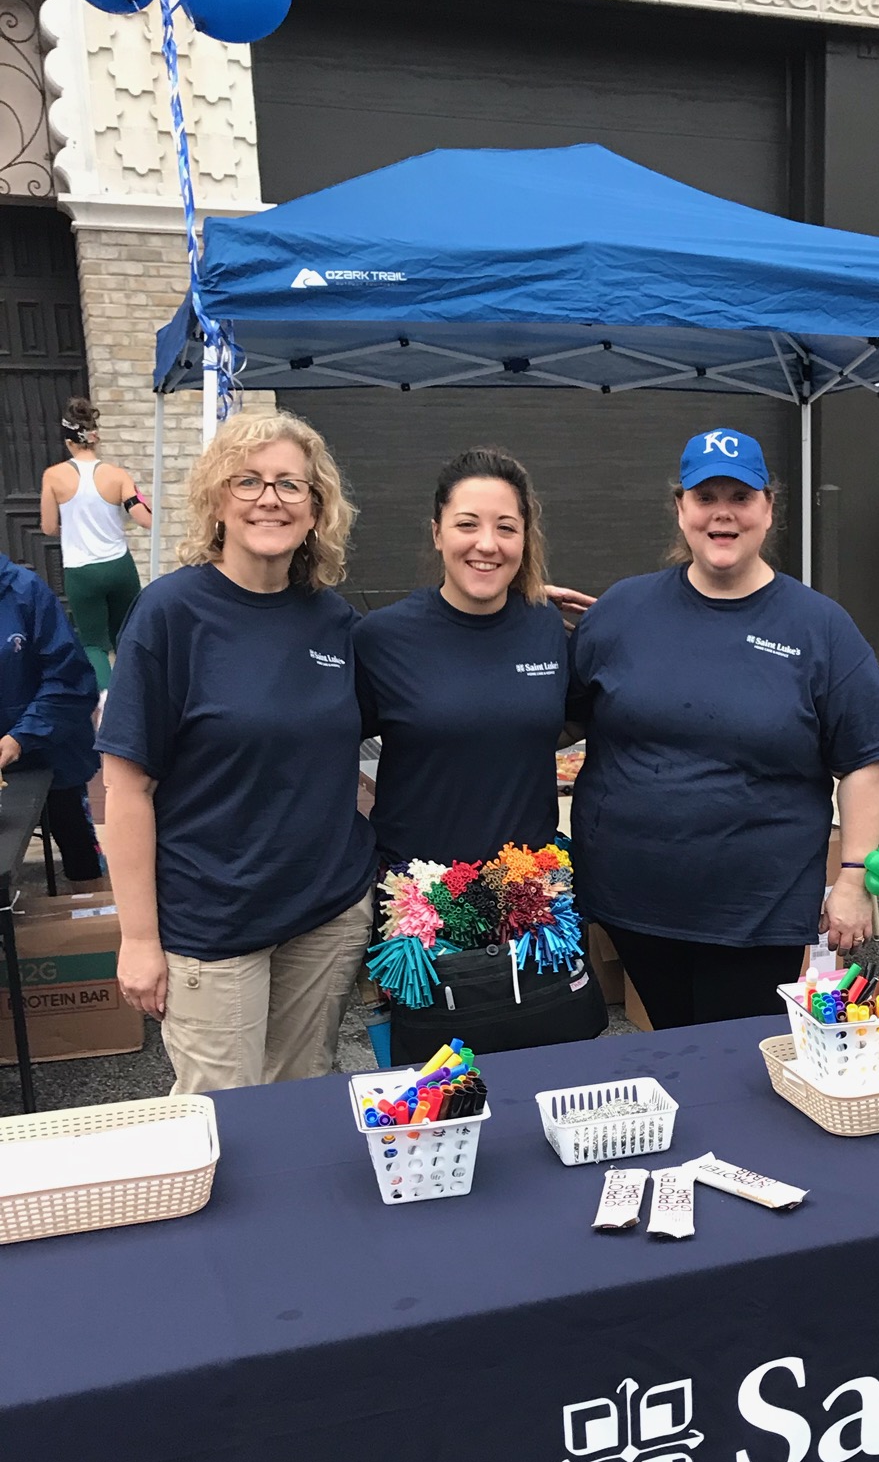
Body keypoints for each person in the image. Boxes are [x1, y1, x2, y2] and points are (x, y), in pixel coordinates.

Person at [568, 428, 879, 1029]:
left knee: (739, 1059)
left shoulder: (819, 627)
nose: (723, 513)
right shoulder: (621, 610)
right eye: (705, 496)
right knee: (669, 1040)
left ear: (769, 509)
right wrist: (507, 620)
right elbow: (556, 715)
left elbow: (862, 761)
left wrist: (852, 876)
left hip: (756, 906)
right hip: (631, 896)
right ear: (681, 509)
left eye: (741, 497)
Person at [99, 412, 376, 1094]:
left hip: (325, 913)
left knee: (305, 1094)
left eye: (290, 484)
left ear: (316, 508)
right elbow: (126, 786)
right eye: (248, 480)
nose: (269, 498)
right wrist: (137, 938)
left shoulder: (332, 619)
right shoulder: (170, 615)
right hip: (212, 923)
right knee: (223, 1118)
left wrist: (505, 617)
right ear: (218, 499)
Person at [354, 447, 580, 867]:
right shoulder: (381, 637)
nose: (487, 544)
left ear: (525, 538)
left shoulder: (545, 626)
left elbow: (559, 721)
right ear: (437, 534)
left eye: (506, 528)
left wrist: (614, 628)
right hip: (417, 905)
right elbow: (324, 751)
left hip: (530, 899)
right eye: (467, 524)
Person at [0, 553, 104, 881]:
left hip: (51, 748)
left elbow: (71, 681)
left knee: (78, 852)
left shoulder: (26, 592)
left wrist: (20, 737)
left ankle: (89, 919)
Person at [39, 397, 151, 695]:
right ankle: (139, 696)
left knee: (93, 643)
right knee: (127, 636)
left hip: (81, 569)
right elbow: (144, 518)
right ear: (94, 437)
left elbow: (48, 526)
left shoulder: (53, 476)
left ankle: (105, 706)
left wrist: (73, 525)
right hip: (118, 565)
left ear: (68, 441)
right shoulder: (118, 475)